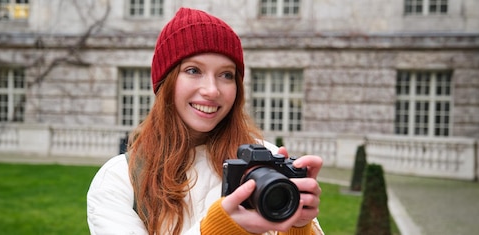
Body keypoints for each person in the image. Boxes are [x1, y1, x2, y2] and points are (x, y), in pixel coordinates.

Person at [87, 7, 324, 235]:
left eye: (226, 75)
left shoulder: (268, 162)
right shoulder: (120, 180)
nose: (212, 90)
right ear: (165, 83)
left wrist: (297, 225)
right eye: (193, 70)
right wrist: (220, 228)